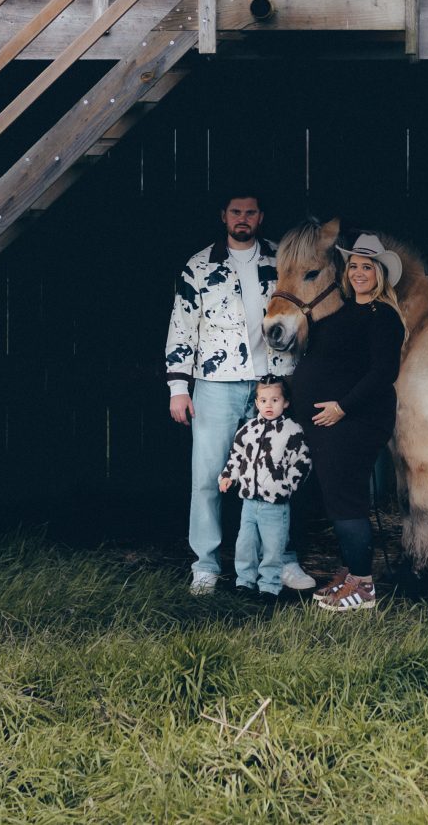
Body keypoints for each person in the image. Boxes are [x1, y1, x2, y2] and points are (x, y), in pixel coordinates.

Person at [165, 190, 316, 595]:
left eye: (250, 212)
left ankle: (282, 560)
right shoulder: (199, 265)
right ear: (224, 216)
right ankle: (206, 565)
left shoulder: (280, 259)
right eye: (236, 212)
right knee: (209, 477)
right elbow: (182, 327)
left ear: (261, 216)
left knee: (276, 471)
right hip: (217, 383)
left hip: (273, 382)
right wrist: (179, 387)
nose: (243, 219)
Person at [294, 231, 406, 612]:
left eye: (367, 267)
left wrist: (342, 406)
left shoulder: (384, 316)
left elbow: (382, 373)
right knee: (336, 497)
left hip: (357, 420)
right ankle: (350, 572)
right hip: (329, 423)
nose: (359, 273)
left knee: (347, 501)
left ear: (380, 274)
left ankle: (365, 588)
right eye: (354, 266)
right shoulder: (342, 311)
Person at [216, 378, 312, 598]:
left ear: (285, 403)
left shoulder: (291, 431)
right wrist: (228, 475)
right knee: (245, 545)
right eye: (263, 400)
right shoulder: (248, 430)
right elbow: (237, 456)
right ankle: (245, 581)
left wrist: (288, 485)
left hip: (275, 505)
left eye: (275, 400)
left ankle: (269, 585)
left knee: (273, 548)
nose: (269, 405)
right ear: (257, 403)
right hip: (249, 502)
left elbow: (303, 461)